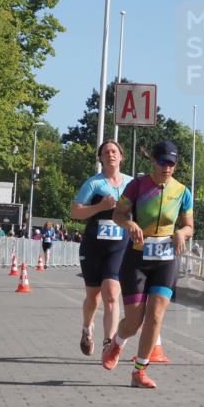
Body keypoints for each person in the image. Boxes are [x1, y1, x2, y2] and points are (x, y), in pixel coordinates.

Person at [101, 140, 193, 389]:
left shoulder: (182, 191)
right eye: (163, 162)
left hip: (165, 260)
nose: (167, 168)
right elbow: (118, 215)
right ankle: (117, 343)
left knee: (155, 317)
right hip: (137, 259)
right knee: (134, 321)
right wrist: (129, 224)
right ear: (153, 161)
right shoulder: (137, 186)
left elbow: (189, 226)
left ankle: (139, 371)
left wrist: (181, 234)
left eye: (172, 163)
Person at [71, 140, 133, 356]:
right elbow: (75, 212)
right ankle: (87, 328)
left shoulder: (131, 184)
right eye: (106, 152)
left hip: (119, 246)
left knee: (112, 295)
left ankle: (109, 344)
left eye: (114, 151)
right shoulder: (94, 184)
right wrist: (100, 207)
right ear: (101, 158)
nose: (110, 155)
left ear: (121, 156)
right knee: (93, 297)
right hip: (94, 246)